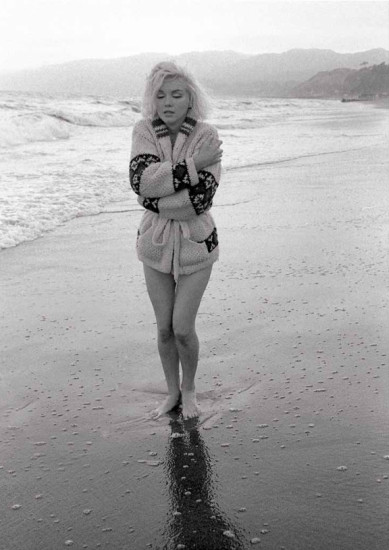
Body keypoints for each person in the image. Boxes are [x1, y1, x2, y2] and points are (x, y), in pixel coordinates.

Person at [129, 61, 222, 419]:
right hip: (154, 242)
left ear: (190, 99)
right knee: (164, 329)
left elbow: (201, 200)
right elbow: (141, 183)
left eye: (177, 94)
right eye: (160, 95)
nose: (167, 102)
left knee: (183, 329)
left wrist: (156, 197)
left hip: (197, 242)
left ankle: (190, 389)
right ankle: (171, 392)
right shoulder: (143, 131)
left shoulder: (207, 136)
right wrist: (192, 168)